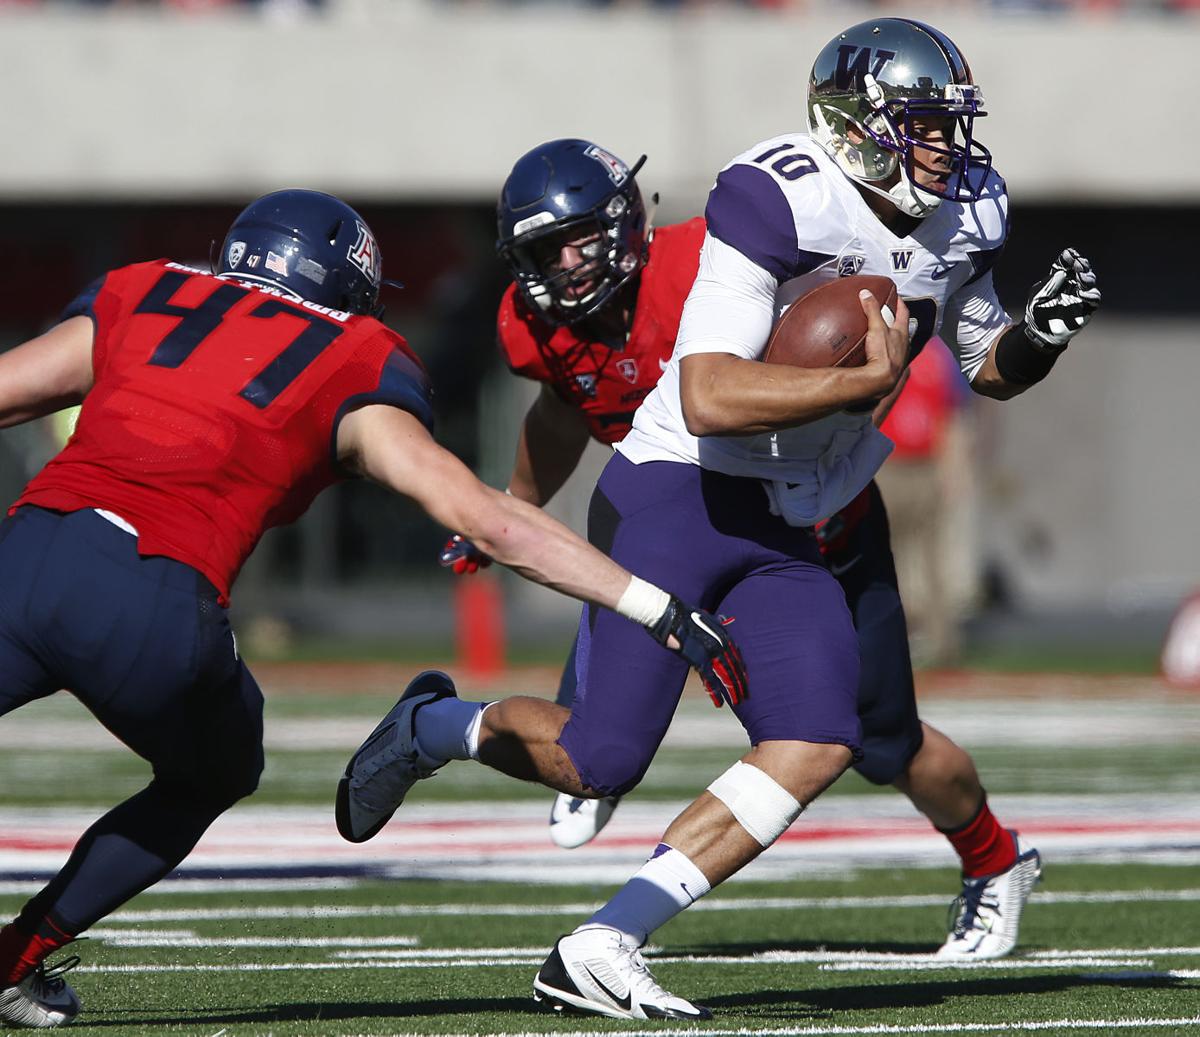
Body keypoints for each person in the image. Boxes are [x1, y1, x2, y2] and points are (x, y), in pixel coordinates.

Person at [339, 17, 1100, 1019]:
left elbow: (979, 360)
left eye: (950, 126)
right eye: (922, 126)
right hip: (682, 492)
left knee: (824, 732)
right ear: (856, 124)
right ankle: (436, 721)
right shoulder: (777, 193)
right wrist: (854, 383)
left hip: (799, 509)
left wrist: (1035, 342)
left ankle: (603, 939)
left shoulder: (969, 208)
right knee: (597, 757)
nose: (945, 148)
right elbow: (705, 395)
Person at [0, 190, 745, 1029]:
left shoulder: (145, 290)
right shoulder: (355, 352)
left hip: (26, 554)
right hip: (154, 599)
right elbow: (486, 520)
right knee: (218, 766)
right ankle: (14, 958)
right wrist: (652, 605)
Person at [443, 135, 1048, 959]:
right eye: (543, 249)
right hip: (690, 501)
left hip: (820, 515)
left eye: (576, 238)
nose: (565, 264)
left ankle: (995, 858)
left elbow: (845, 321)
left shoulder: (713, 255)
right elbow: (560, 412)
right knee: (611, 719)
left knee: (879, 742)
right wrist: (510, 508)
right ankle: (592, 752)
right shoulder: (538, 320)